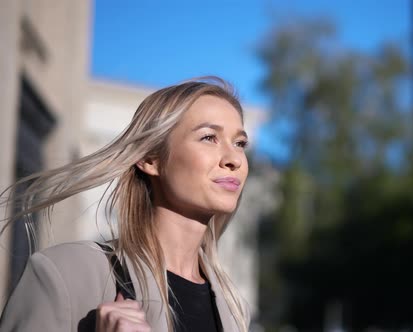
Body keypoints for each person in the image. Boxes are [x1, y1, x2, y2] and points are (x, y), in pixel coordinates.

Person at [0, 77, 251, 332]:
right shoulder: (68, 274)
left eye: (240, 143)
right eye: (209, 137)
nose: (234, 159)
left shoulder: (235, 310)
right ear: (151, 158)